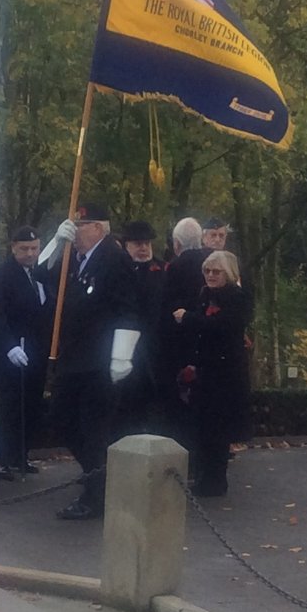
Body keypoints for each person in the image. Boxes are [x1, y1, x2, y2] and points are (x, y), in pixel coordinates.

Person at [40, 201, 138, 519]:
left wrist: (121, 356)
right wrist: (57, 242)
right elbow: (41, 272)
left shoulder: (114, 258)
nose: (76, 231)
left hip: (100, 360)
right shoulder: (75, 257)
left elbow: (128, 308)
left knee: (93, 429)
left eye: (80, 226)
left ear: (98, 228)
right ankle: (100, 479)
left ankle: (95, 496)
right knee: (61, 421)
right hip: (75, 357)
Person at [169, 251, 252, 497]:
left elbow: (223, 327)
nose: (211, 276)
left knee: (219, 430)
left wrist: (188, 318)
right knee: (203, 427)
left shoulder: (238, 297)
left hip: (226, 373)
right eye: (207, 271)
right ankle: (205, 477)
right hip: (205, 370)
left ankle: (216, 480)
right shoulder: (204, 295)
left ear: (228, 274)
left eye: (216, 272)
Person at [0, 225, 53, 480]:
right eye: (24, 249)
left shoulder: (40, 274)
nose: (29, 253)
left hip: (34, 349)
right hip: (6, 349)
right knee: (10, 402)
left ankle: (21, 455)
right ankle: (3, 459)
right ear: (13, 248)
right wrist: (9, 346)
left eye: (34, 249)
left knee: (31, 402)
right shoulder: (2, 274)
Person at [117, 220, 168, 435]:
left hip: (157, 345)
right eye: (138, 244)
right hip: (127, 345)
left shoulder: (163, 270)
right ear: (126, 245)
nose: (144, 248)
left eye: (147, 243)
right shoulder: (119, 270)